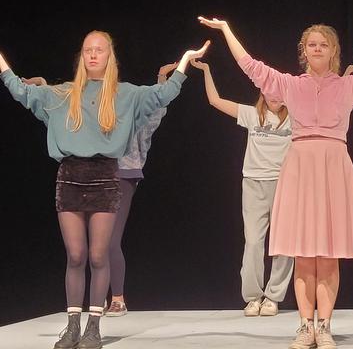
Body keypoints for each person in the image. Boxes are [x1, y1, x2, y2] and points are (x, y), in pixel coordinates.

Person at [198, 7, 353, 349]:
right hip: (300, 168)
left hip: (333, 167)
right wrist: (226, 30)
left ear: (333, 52)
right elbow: (250, 67)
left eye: (323, 45)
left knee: (328, 255)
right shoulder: (288, 85)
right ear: (303, 51)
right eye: (311, 45)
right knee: (303, 254)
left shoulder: (348, 86)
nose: (317, 49)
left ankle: (324, 326)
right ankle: (304, 326)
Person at [0, 31, 209, 349]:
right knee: (75, 255)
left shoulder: (126, 95)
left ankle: (93, 327)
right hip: (69, 176)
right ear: (81, 56)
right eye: (87, 50)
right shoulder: (63, 94)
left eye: (99, 50)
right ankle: (72, 327)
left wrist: (184, 61)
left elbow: (164, 94)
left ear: (110, 57)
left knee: (99, 255)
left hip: (106, 176)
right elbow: (20, 90)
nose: (93, 55)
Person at [192, 58, 294, 317]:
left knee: (283, 245)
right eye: (270, 90)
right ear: (262, 90)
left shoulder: (295, 119)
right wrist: (206, 69)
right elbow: (215, 101)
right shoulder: (251, 114)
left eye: (280, 92)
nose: (275, 96)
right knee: (253, 242)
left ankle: (273, 297)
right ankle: (253, 297)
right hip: (253, 184)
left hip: (284, 186)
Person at [104, 61, 179, 317]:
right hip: (94, 174)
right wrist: (45, 88)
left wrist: (161, 78)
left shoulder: (132, 103)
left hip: (124, 173)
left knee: (111, 239)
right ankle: (98, 298)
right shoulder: (91, 104)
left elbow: (156, 109)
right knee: (95, 243)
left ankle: (117, 298)